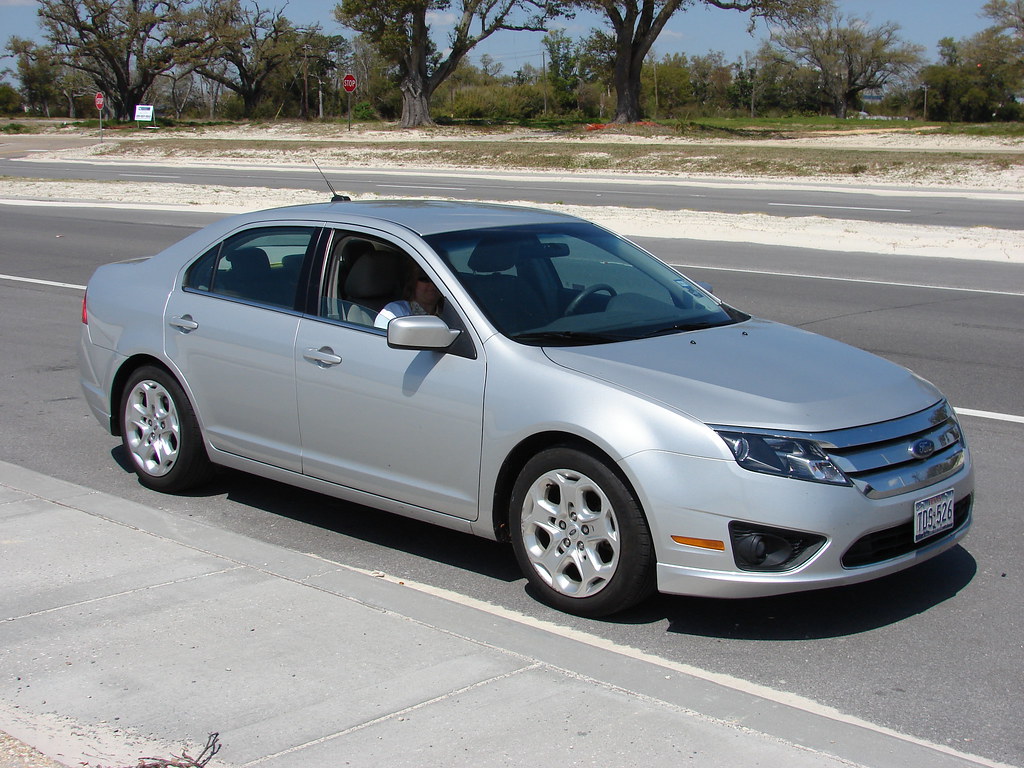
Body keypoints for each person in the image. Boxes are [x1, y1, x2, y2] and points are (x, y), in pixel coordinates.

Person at [374, 264, 443, 329]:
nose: (432, 285)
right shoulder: (394, 313)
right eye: (425, 279)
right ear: (412, 282)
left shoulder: (450, 313)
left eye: (437, 280)